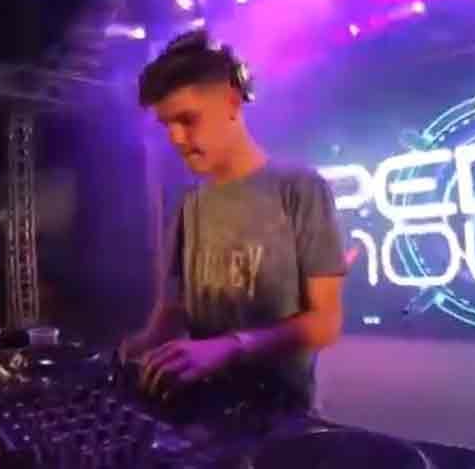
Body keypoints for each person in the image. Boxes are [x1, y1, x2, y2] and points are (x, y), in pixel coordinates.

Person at [120, 30, 347, 413]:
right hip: (201, 409)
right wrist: (127, 352)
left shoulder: (300, 188)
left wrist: (232, 346)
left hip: (281, 416)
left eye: (187, 119)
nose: (176, 138)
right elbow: (169, 316)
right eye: (166, 125)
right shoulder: (189, 206)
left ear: (231, 101)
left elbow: (326, 323)